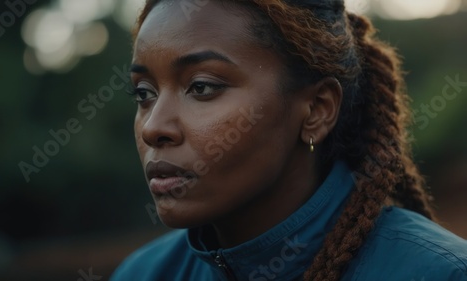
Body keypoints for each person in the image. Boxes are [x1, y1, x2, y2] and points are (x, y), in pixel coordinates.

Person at [111, 0, 467, 280]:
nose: (152, 127)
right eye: (144, 93)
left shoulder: (442, 273)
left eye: (202, 87)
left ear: (316, 110)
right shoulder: (141, 274)